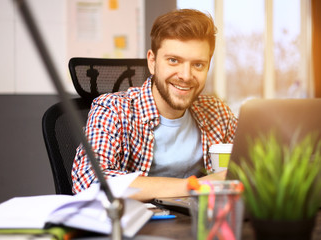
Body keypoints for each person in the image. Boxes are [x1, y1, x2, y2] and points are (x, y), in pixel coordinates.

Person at [72, 9, 238, 201]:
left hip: (198, 225)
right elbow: (91, 183)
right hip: (137, 228)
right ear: (152, 62)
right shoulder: (112, 109)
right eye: (174, 60)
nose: (185, 75)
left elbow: (258, 163)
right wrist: (199, 185)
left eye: (198, 65)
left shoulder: (216, 111)